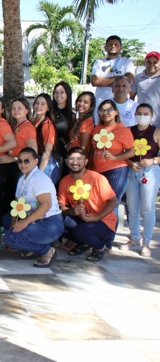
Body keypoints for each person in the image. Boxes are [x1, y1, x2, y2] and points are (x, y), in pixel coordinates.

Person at [2, 148, 64, 268]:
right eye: (20, 161)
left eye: (26, 161)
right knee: (7, 220)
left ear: (36, 161)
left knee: (10, 239)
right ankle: (30, 244)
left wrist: (24, 223)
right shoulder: (22, 179)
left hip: (50, 222)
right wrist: (13, 224)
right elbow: (17, 203)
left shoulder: (38, 178)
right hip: (35, 219)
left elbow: (46, 204)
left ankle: (46, 250)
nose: (23, 164)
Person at [58, 147, 118, 261]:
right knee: (56, 220)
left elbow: (113, 201)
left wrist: (97, 217)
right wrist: (72, 211)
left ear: (85, 161)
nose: (75, 162)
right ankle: (84, 242)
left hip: (103, 222)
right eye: (71, 159)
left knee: (80, 231)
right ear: (66, 161)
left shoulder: (97, 178)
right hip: (82, 220)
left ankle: (100, 247)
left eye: (79, 159)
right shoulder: (65, 181)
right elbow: (61, 205)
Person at [91, 99, 134, 239]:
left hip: (117, 170)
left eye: (109, 109)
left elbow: (132, 152)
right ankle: (98, 236)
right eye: (102, 110)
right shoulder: (97, 129)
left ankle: (108, 241)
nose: (106, 113)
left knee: (112, 204)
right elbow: (93, 150)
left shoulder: (123, 130)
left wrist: (115, 157)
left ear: (116, 112)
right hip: (98, 172)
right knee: (98, 204)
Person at [123, 104, 160, 257]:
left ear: (151, 115)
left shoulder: (156, 131)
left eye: (145, 114)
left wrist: (153, 161)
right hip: (132, 171)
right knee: (132, 207)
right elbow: (122, 151)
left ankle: (146, 242)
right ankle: (134, 237)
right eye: (139, 113)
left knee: (148, 208)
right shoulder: (128, 130)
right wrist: (129, 163)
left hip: (149, 172)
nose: (142, 116)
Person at [0, 97, 37, 207]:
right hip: (11, 166)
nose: (16, 111)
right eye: (13, 108)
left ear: (27, 110)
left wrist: (14, 159)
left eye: (20, 108)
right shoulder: (15, 126)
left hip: (20, 167)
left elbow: (33, 151)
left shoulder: (28, 127)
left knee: (13, 197)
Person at [91, 35, 135, 103]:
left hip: (121, 102)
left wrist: (102, 81)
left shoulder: (127, 62)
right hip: (101, 101)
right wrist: (119, 80)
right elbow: (94, 81)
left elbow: (129, 81)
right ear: (105, 48)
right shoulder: (99, 62)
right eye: (110, 44)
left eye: (116, 44)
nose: (113, 46)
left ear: (121, 47)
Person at [32, 93, 60, 184]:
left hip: (45, 164)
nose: (38, 106)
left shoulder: (47, 125)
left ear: (48, 108)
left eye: (43, 104)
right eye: (37, 103)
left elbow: (47, 151)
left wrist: (40, 171)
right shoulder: (33, 122)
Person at [132, 51, 160, 127]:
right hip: (142, 122)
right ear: (145, 62)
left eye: (155, 62)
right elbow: (131, 98)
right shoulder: (137, 78)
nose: (152, 65)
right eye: (149, 62)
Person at [52, 82, 75, 174]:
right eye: (56, 92)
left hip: (61, 155)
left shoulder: (72, 116)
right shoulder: (48, 112)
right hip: (46, 152)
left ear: (67, 94)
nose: (58, 95)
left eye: (62, 92)